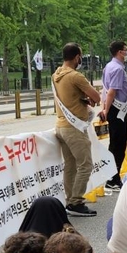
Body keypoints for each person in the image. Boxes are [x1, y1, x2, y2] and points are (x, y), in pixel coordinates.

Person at [53, 42, 102, 217]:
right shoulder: (75, 76)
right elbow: (96, 97)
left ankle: (69, 200)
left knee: (70, 166)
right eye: (80, 57)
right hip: (74, 128)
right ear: (76, 57)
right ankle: (76, 202)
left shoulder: (56, 75)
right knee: (85, 164)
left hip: (61, 126)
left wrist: (81, 98)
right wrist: (87, 97)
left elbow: (69, 97)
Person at [100, 40, 127, 191]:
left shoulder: (108, 66)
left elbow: (104, 90)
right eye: (126, 49)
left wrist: (104, 108)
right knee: (119, 144)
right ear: (120, 52)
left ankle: (113, 177)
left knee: (114, 143)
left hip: (112, 108)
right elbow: (111, 91)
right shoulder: (118, 69)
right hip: (118, 110)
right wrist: (106, 109)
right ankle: (113, 179)